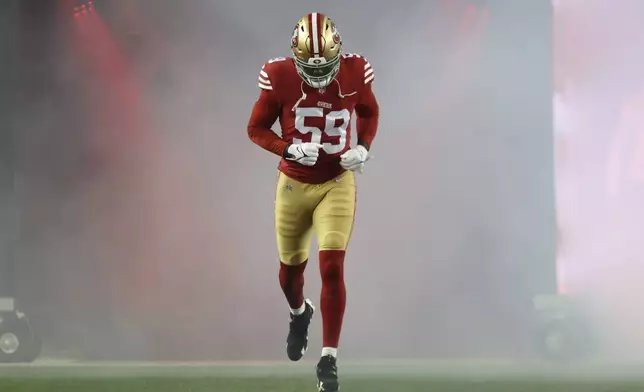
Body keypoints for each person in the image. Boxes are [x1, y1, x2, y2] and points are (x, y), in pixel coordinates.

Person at [247, 12, 379, 392]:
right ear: (294, 58)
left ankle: (328, 360)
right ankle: (299, 313)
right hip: (294, 183)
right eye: (307, 66)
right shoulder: (278, 75)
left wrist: (363, 147)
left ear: (340, 53)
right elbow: (255, 128)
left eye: (325, 66)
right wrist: (288, 148)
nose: (318, 76)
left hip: (337, 180)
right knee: (290, 274)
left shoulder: (356, 70)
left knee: (332, 265)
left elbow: (369, 112)